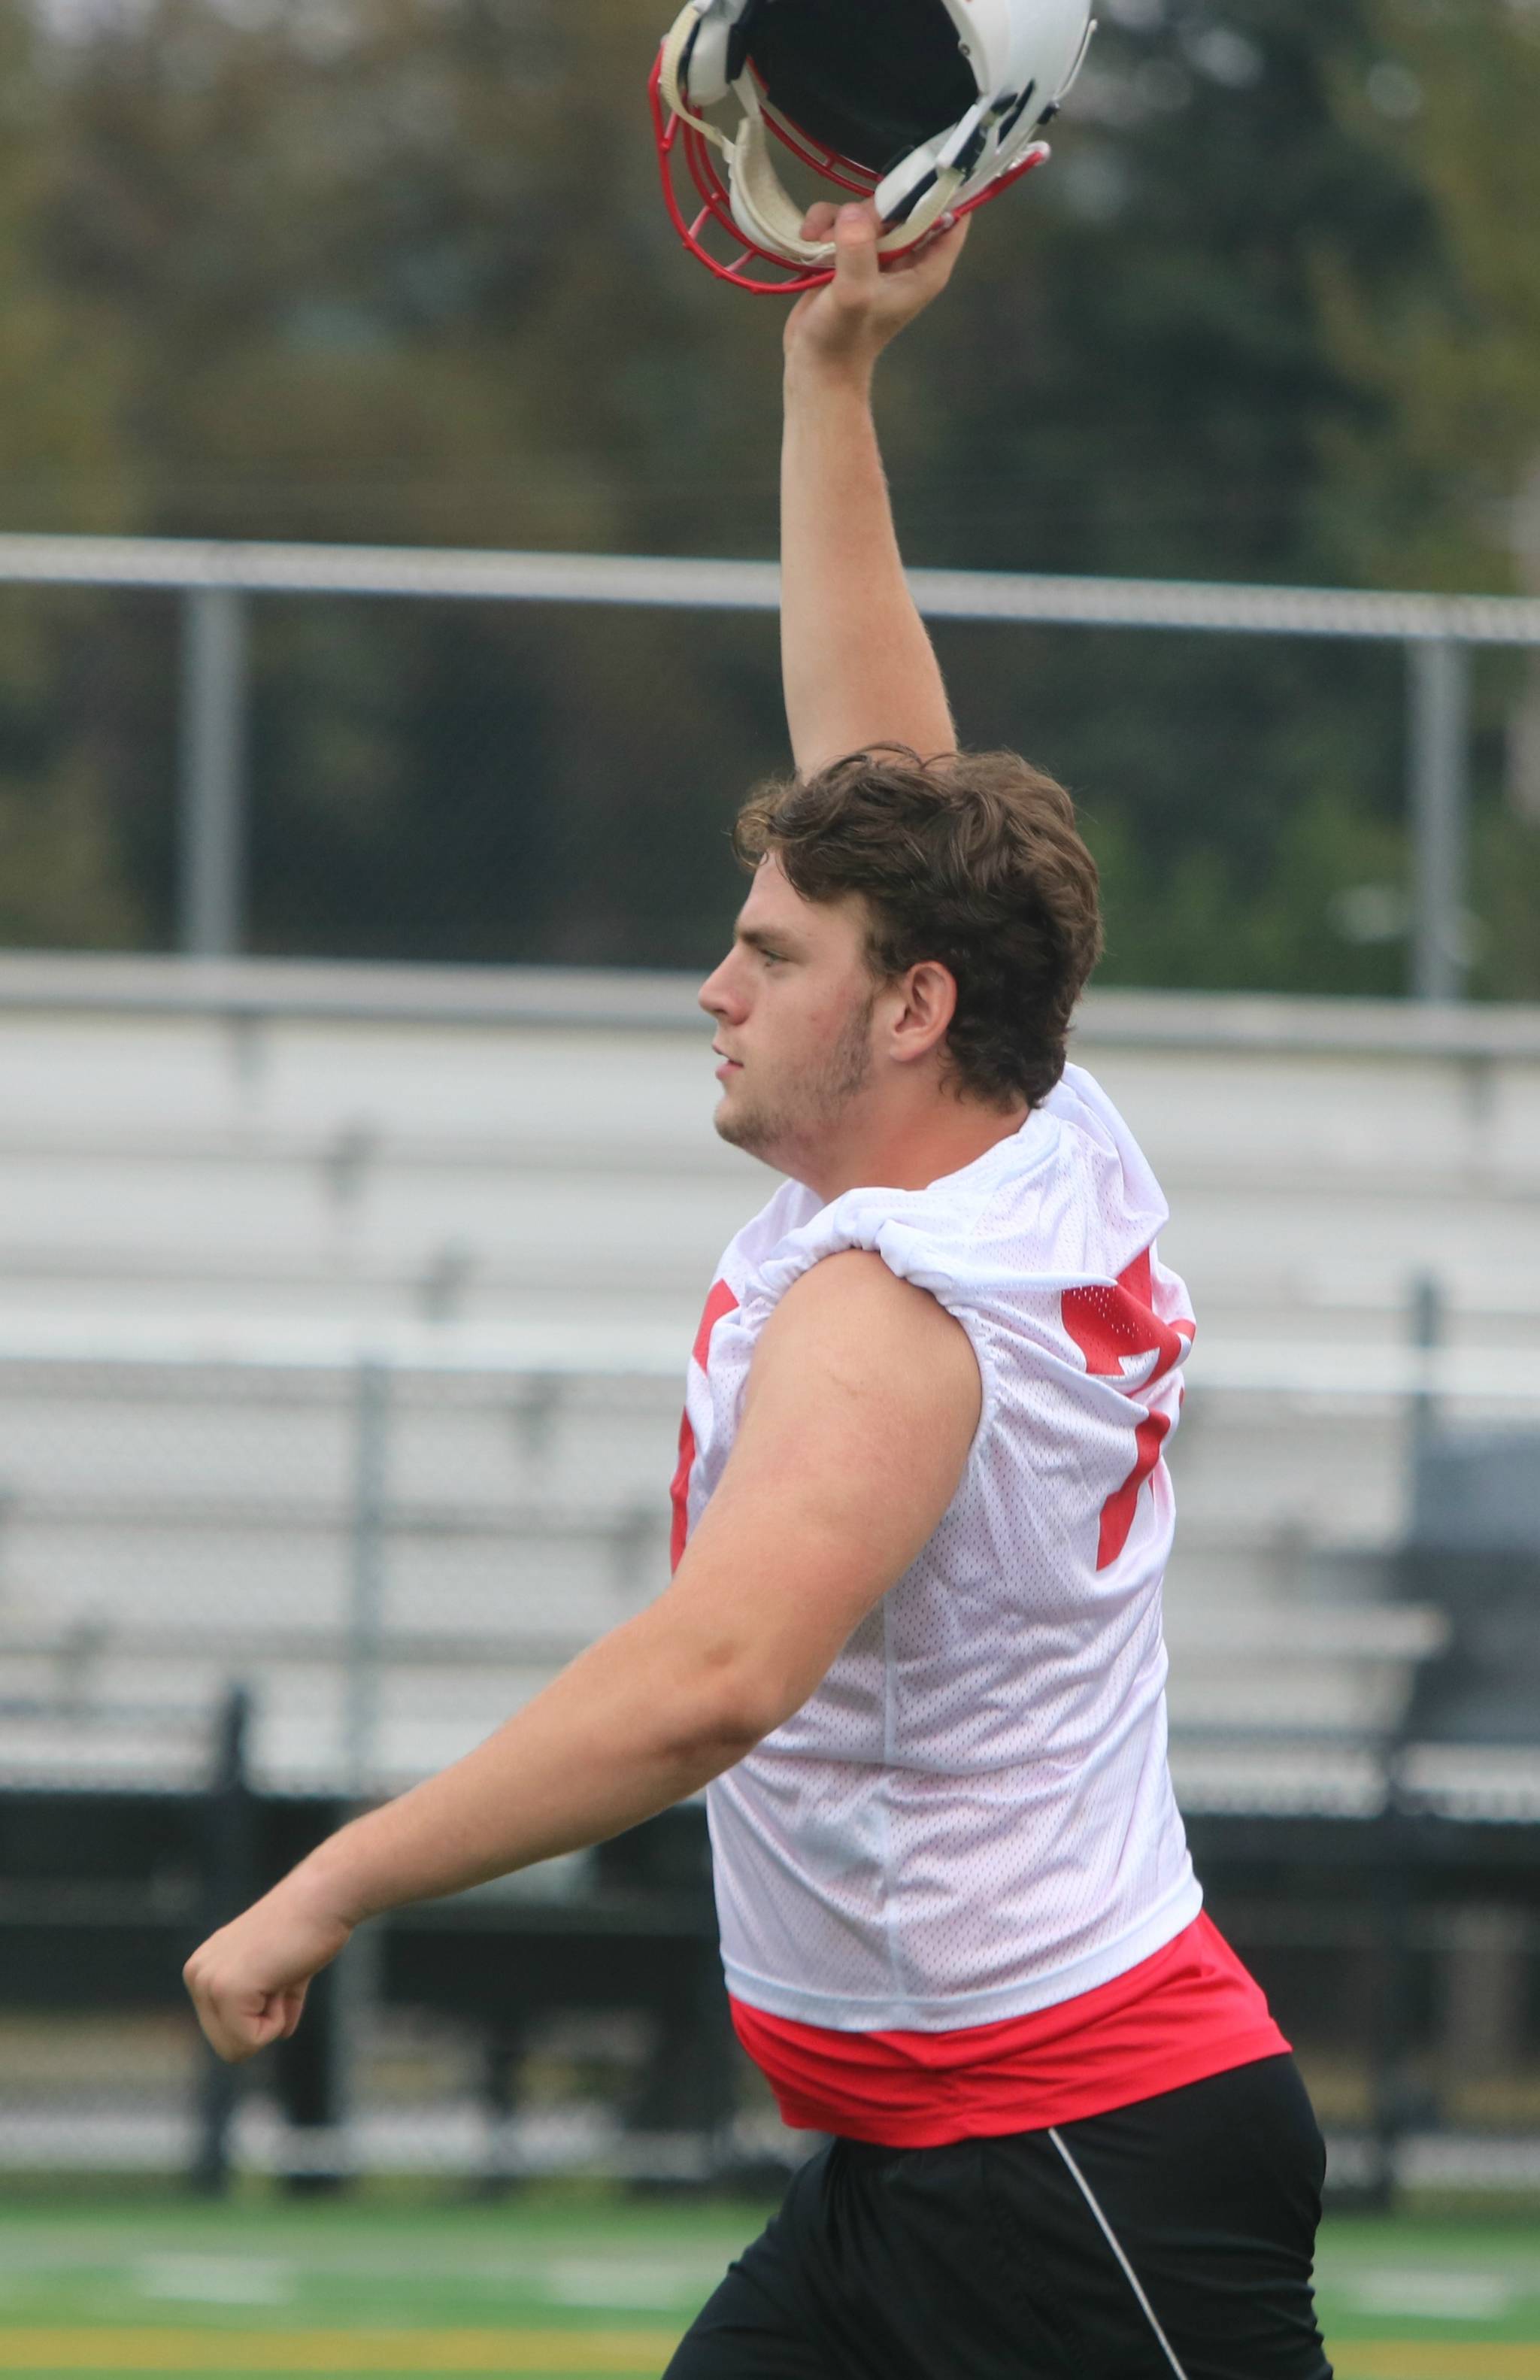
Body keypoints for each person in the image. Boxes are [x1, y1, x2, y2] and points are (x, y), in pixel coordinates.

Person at [184, 202, 1332, 2380]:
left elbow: (718, 1678)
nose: (713, 987)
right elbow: (889, 771)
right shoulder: (1035, 1121)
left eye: (771, 957)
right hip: (938, 2157)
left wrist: (336, 1879)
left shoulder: (894, 1312)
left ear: (909, 1007)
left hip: (1066, 2168)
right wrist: (831, 383)